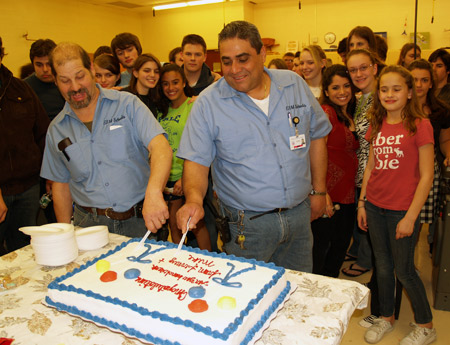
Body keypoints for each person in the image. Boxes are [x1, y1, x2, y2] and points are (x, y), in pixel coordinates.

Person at [176, 20, 332, 272]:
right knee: (249, 296)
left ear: (262, 54)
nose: (234, 69)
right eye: (227, 61)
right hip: (246, 226)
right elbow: (196, 161)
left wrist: (320, 191)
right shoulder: (208, 104)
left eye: (242, 59)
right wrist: (193, 199)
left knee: (298, 289)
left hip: (299, 216)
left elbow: (316, 136)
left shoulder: (293, 85)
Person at [40, 42, 173, 238]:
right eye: (65, 80)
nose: (75, 87)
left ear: (91, 69)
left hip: (140, 221)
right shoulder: (56, 130)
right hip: (89, 227)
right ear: (55, 81)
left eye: (80, 76)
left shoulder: (127, 104)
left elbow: (161, 147)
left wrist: (154, 193)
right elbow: (60, 183)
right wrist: (65, 234)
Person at [358, 65, 436, 345]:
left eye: (396, 88)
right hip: (375, 206)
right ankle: (386, 318)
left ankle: (426, 326)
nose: (389, 94)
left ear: (410, 92)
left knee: (404, 270)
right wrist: (362, 203)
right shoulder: (377, 123)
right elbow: (371, 166)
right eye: (384, 89)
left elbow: (427, 175)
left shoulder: (420, 124)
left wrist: (411, 217)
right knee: (382, 265)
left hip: (402, 210)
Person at [0, 36, 50, 254]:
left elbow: (42, 134)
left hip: (27, 188)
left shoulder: (20, 89)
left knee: (24, 254)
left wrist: (50, 175)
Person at [157, 64, 211, 250]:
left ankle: (209, 261)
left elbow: (200, 145)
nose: (170, 88)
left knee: (194, 225)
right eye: (165, 84)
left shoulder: (193, 105)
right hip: (166, 178)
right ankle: (181, 262)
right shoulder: (160, 112)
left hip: (187, 176)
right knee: (174, 224)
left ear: (183, 83)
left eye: (175, 82)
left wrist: (184, 177)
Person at [311, 64, 358, 278]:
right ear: (326, 91)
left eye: (346, 86)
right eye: (336, 87)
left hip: (348, 193)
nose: (342, 92)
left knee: (339, 248)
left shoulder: (349, 114)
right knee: (321, 250)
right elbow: (314, 151)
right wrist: (322, 193)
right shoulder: (326, 112)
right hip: (329, 193)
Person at [342, 49, 383, 278]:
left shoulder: (381, 97)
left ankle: (366, 261)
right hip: (361, 170)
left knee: (369, 219)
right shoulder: (359, 99)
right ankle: (360, 253)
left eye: (363, 68)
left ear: (374, 68)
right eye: (353, 70)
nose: (358, 74)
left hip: (376, 171)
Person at [409, 59, 450, 253]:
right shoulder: (398, 108)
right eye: (414, 79)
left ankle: (409, 258)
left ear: (431, 83)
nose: (419, 85)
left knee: (416, 220)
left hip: (426, 172)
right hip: (402, 169)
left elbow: (444, 141)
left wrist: (449, 154)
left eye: (424, 80)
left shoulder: (440, 111)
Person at [24, 39, 65, 121]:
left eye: (49, 64)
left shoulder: (67, 83)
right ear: (33, 64)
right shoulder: (24, 88)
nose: (45, 69)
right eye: (39, 65)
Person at [123, 53, 165, 118]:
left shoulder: (159, 98)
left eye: (156, 71)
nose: (152, 75)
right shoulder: (124, 96)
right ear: (136, 73)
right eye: (147, 71)